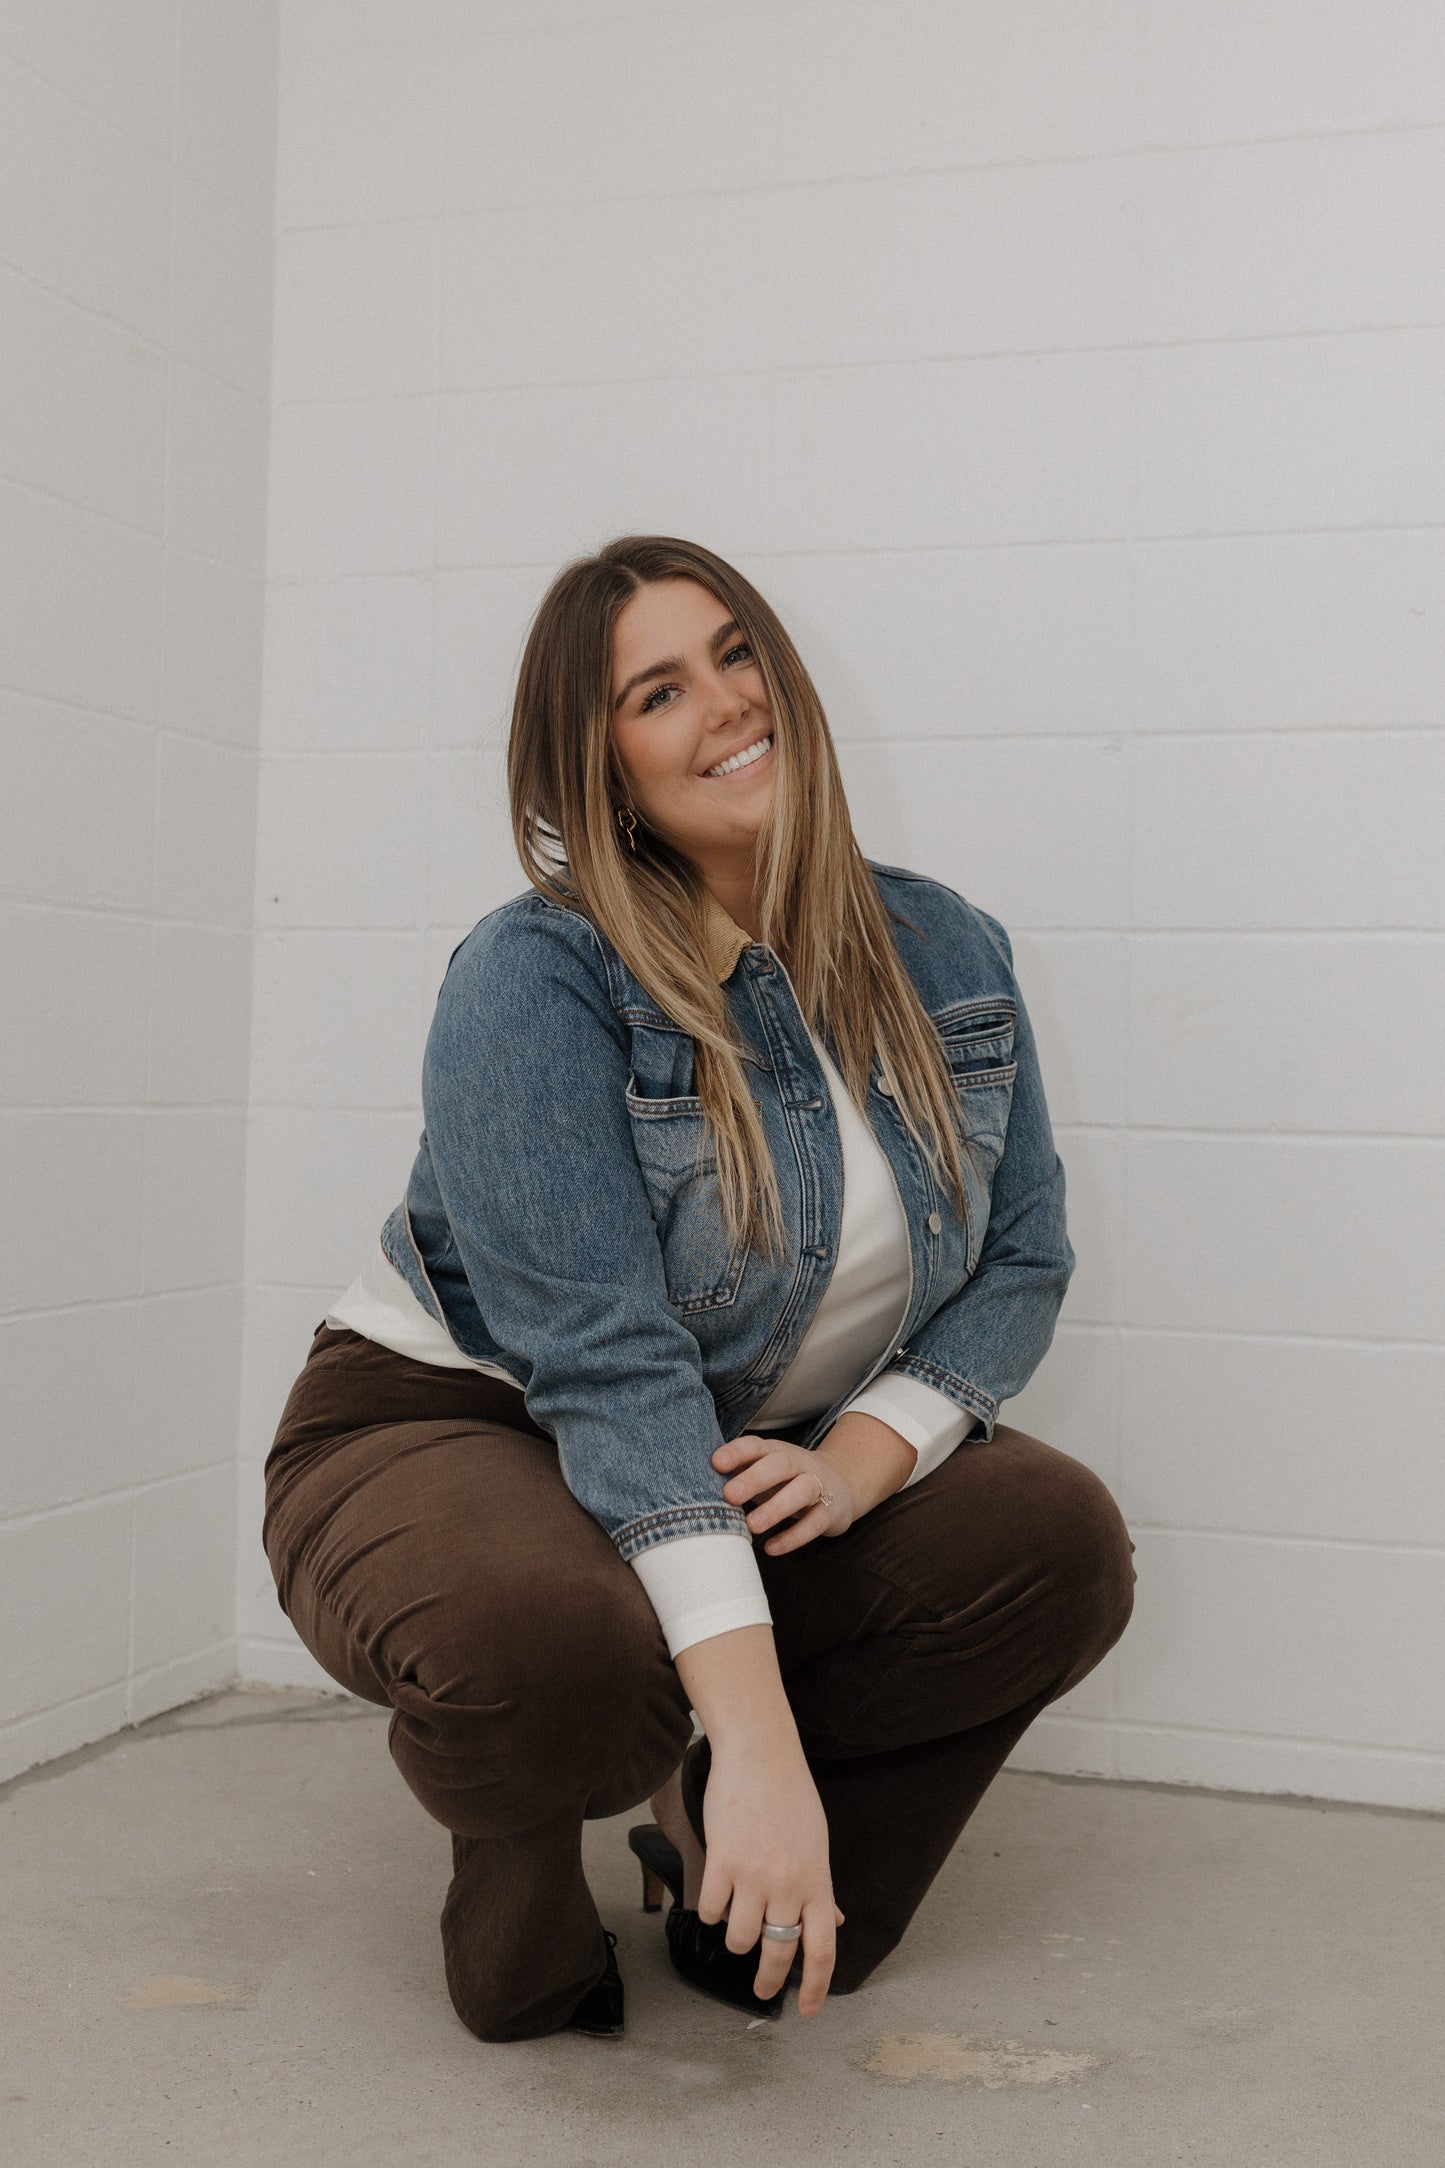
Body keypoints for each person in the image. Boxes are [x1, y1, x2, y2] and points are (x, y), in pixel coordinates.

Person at [261, 533, 1135, 2045]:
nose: (727, 704)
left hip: (725, 1436)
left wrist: (866, 1458)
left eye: (735, 654)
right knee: (555, 1651)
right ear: (596, 769)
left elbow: (1024, 1255)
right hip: (462, 1416)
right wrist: (762, 1732)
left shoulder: (945, 947)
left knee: (1054, 1544)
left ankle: (727, 1865)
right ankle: (529, 1863)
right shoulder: (535, 976)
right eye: (657, 692)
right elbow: (603, 1365)